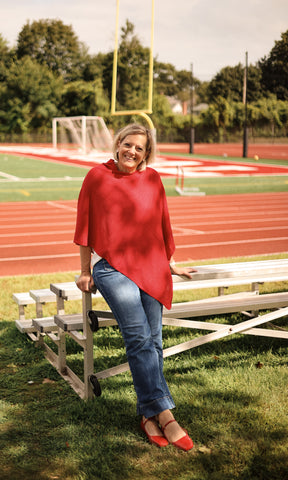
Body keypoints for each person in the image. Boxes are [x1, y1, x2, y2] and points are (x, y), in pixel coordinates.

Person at [74, 123, 196, 450]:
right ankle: (167, 414)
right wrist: (85, 271)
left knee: (154, 342)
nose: (132, 151)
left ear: (146, 154)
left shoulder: (153, 179)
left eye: (139, 148)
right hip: (113, 269)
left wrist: (170, 262)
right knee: (140, 337)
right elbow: (84, 226)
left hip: (152, 266)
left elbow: (162, 221)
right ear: (118, 145)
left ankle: (147, 415)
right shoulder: (96, 177)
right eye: (128, 144)